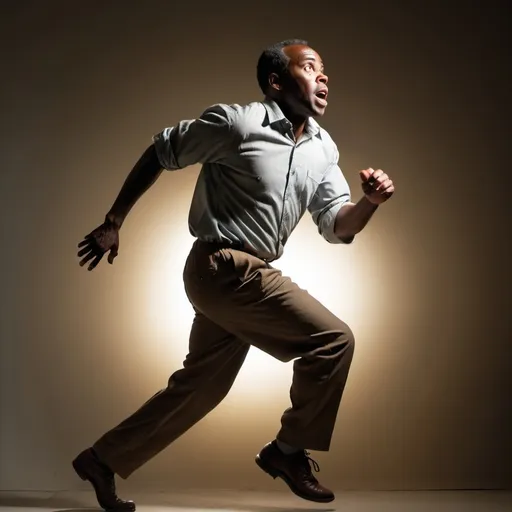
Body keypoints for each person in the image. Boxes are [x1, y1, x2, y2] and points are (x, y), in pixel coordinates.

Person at [72, 39, 395, 511]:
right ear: (276, 82)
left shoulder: (323, 148)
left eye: (325, 70)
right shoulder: (238, 122)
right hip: (221, 266)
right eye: (310, 68)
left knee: (201, 388)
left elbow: (336, 225)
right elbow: (162, 150)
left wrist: (369, 203)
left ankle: (101, 460)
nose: (323, 78)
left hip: (244, 276)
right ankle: (286, 453)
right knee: (333, 340)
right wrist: (114, 221)